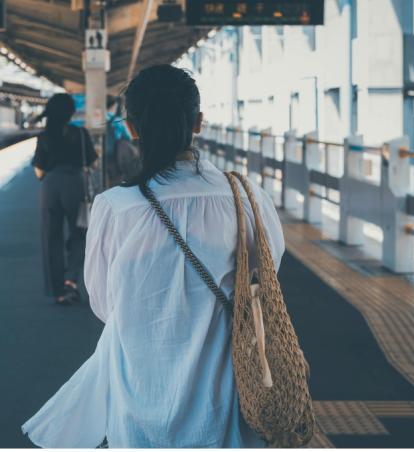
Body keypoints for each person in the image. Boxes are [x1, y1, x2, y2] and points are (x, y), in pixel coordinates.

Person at [22, 65, 285, 447]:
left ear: (131, 128)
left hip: (138, 389)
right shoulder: (246, 198)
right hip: (227, 391)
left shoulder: (115, 207)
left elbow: (102, 302)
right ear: (198, 122)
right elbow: (268, 271)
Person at [32, 93, 98, 306]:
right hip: (75, 185)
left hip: (50, 187)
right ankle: (71, 280)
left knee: (51, 236)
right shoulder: (80, 134)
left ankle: (57, 290)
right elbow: (92, 163)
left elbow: (39, 171)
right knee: (80, 232)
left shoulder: (43, 137)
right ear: (70, 112)